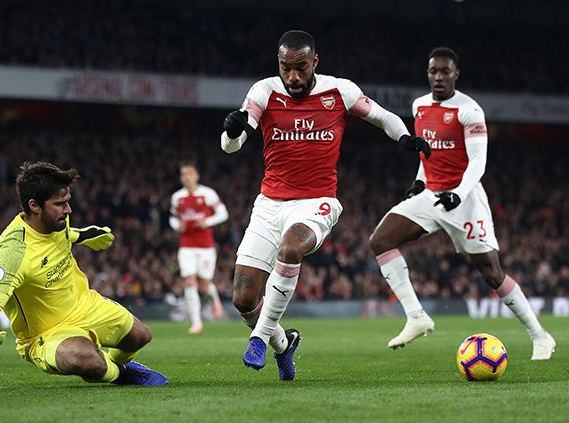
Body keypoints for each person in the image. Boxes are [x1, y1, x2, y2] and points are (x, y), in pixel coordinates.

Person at [221, 30, 431, 380]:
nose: (293, 77)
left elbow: (383, 117)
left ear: (315, 61)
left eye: (301, 68)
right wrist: (231, 132)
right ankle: (283, 345)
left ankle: (258, 338)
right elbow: (233, 144)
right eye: (286, 68)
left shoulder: (339, 91)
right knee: (243, 300)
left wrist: (405, 136)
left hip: (316, 201)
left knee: (291, 248)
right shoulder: (264, 91)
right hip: (270, 204)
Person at [368, 47, 556, 359]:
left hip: (464, 200)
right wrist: (419, 181)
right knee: (381, 241)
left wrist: (459, 193)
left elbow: (478, 161)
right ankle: (416, 316)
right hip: (431, 194)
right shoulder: (419, 106)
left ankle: (540, 336)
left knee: (491, 272)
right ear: (427, 74)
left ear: (456, 74)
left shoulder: (469, 110)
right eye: (433, 72)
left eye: (444, 71)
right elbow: (427, 153)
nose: (438, 77)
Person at [0, 161, 167, 386]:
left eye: (68, 202)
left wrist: (85, 235)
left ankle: (116, 365)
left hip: (85, 305)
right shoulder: (14, 251)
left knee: (140, 336)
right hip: (47, 333)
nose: (68, 210)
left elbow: (65, 235)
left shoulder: (55, 220)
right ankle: (122, 374)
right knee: (86, 360)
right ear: (34, 206)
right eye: (60, 204)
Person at [169, 161, 229, 334]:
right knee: (189, 282)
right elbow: (172, 217)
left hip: (205, 246)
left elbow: (223, 214)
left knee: (203, 285)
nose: (186, 177)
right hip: (186, 246)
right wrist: (176, 226)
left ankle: (213, 296)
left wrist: (207, 221)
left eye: (189, 174)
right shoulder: (177, 197)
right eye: (183, 175)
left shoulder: (208, 193)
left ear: (196, 176)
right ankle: (196, 322)